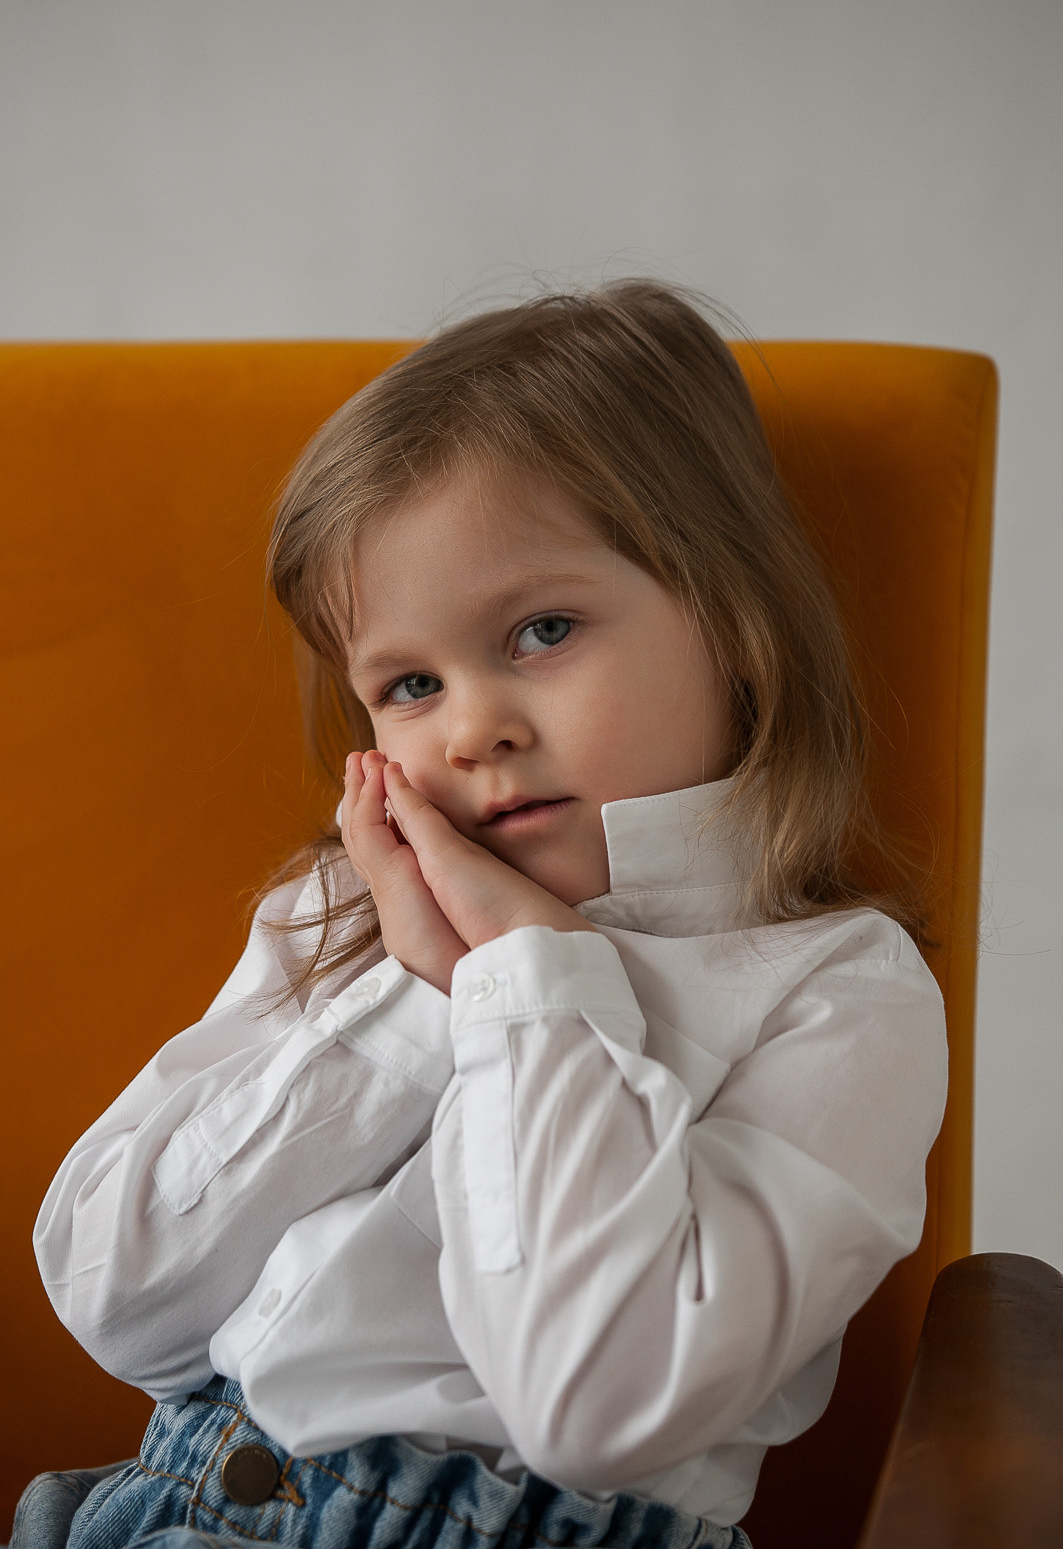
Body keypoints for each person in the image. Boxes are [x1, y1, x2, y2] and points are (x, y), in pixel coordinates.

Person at [23, 280, 947, 1549]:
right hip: (173, 1502)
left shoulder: (841, 991)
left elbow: (596, 1406)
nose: (474, 727)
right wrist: (412, 996)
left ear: (734, 619)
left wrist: (527, 983)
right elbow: (115, 1300)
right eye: (409, 683)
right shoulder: (343, 916)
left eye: (543, 629)